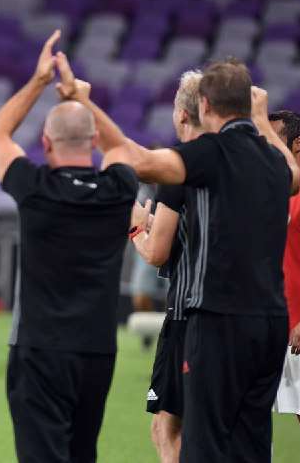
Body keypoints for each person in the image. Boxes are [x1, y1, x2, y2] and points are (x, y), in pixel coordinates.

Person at [55, 54, 299, 461]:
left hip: (219, 320)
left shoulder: (209, 152)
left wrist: (85, 108)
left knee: (202, 443)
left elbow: (142, 161)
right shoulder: (272, 158)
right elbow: (293, 176)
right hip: (271, 323)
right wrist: (261, 121)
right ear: (249, 103)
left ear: (203, 106)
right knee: (251, 444)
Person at [0, 31, 138, 463]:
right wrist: (80, 99)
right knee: (81, 452)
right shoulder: (118, 186)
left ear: (46, 144)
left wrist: (39, 81)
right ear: (92, 144)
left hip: (41, 347)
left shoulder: (35, 187)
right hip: (98, 348)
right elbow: (122, 147)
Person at [130, 71, 204, 463]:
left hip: (186, 315)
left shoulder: (178, 167)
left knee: (166, 428)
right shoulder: (250, 164)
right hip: (244, 314)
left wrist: (135, 226)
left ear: (183, 113)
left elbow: (156, 252)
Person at [269, 110, 300, 462]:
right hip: (263, 320)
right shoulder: (262, 187)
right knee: (249, 414)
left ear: (297, 143)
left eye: (274, 137)